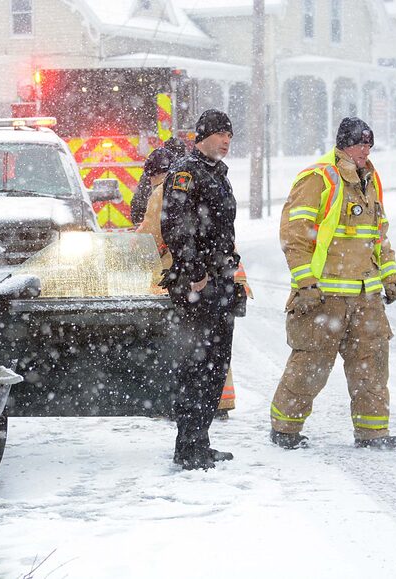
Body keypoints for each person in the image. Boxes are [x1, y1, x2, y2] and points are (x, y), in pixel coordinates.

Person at [269, 117, 396, 451]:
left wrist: (389, 276)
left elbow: (378, 235)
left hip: (365, 295)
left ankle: (373, 433)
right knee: (310, 365)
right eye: (360, 143)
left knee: (371, 367)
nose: (366, 150)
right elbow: (294, 234)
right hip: (324, 296)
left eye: (369, 144)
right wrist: (305, 282)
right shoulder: (318, 178)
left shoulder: (370, 181)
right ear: (343, 143)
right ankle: (285, 429)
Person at [160, 109, 242, 470]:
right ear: (203, 136)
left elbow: (220, 231)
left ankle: (200, 441)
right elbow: (175, 225)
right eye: (220, 134)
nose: (226, 140)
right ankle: (187, 446)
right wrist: (195, 271)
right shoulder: (186, 172)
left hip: (219, 282)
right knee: (196, 366)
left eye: (230, 135)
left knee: (215, 365)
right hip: (198, 285)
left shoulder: (218, 174)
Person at [130, 137, 187, 226]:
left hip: (154, 228)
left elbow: (137, 203)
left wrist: (142, 224)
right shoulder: (183, 174)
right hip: (172, 229)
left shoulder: (151, 172)